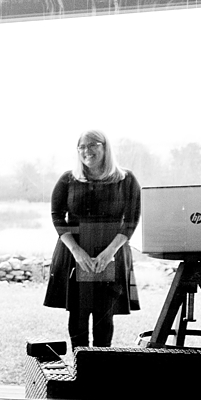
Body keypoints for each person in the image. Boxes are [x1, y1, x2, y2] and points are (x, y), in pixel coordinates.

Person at [43, 130, 142, 348]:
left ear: (105, 147)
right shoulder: (68, 179)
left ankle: (99, 369)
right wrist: (77, 252)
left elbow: (132, 220)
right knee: (77, 314)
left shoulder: (126, 179)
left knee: (104, 315)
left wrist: (109, 253)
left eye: (93, 145)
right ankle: (80, 368)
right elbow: (57, 216)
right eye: (82, 146)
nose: (86, 151)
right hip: (74, 252)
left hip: (112, 252)